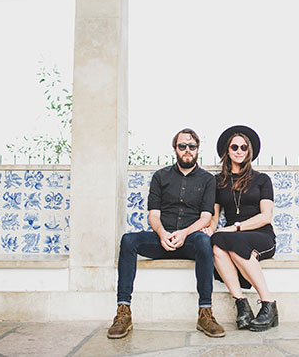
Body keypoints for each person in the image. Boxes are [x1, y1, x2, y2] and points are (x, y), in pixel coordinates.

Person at [107, 128, 225, 339]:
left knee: (204, 241)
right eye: (182, 146)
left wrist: (184, 233)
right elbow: (153, 215)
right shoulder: (161, 176)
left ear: (198, 149)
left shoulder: (208, 179)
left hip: (190, 240)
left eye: (192, 146)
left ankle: (205, 313)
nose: (187, 150)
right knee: (128, 240)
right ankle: (123, 312)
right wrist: (162, 234)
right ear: (175, 148)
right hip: (162, 239)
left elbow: (206, 217)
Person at [203, 125, 278, 332]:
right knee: (216, 244)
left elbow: (266, 216)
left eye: (244, 147)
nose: (239, 151)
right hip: (233, 237)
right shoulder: (218, 181)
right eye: (234, 147)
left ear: (249, 151)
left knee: (232, 243)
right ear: (227, 151)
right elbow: (214, 215)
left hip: (260, 234)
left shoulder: (262, 180)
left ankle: (269, 303)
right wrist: (210, 229)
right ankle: (242, 305)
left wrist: (235, 228)